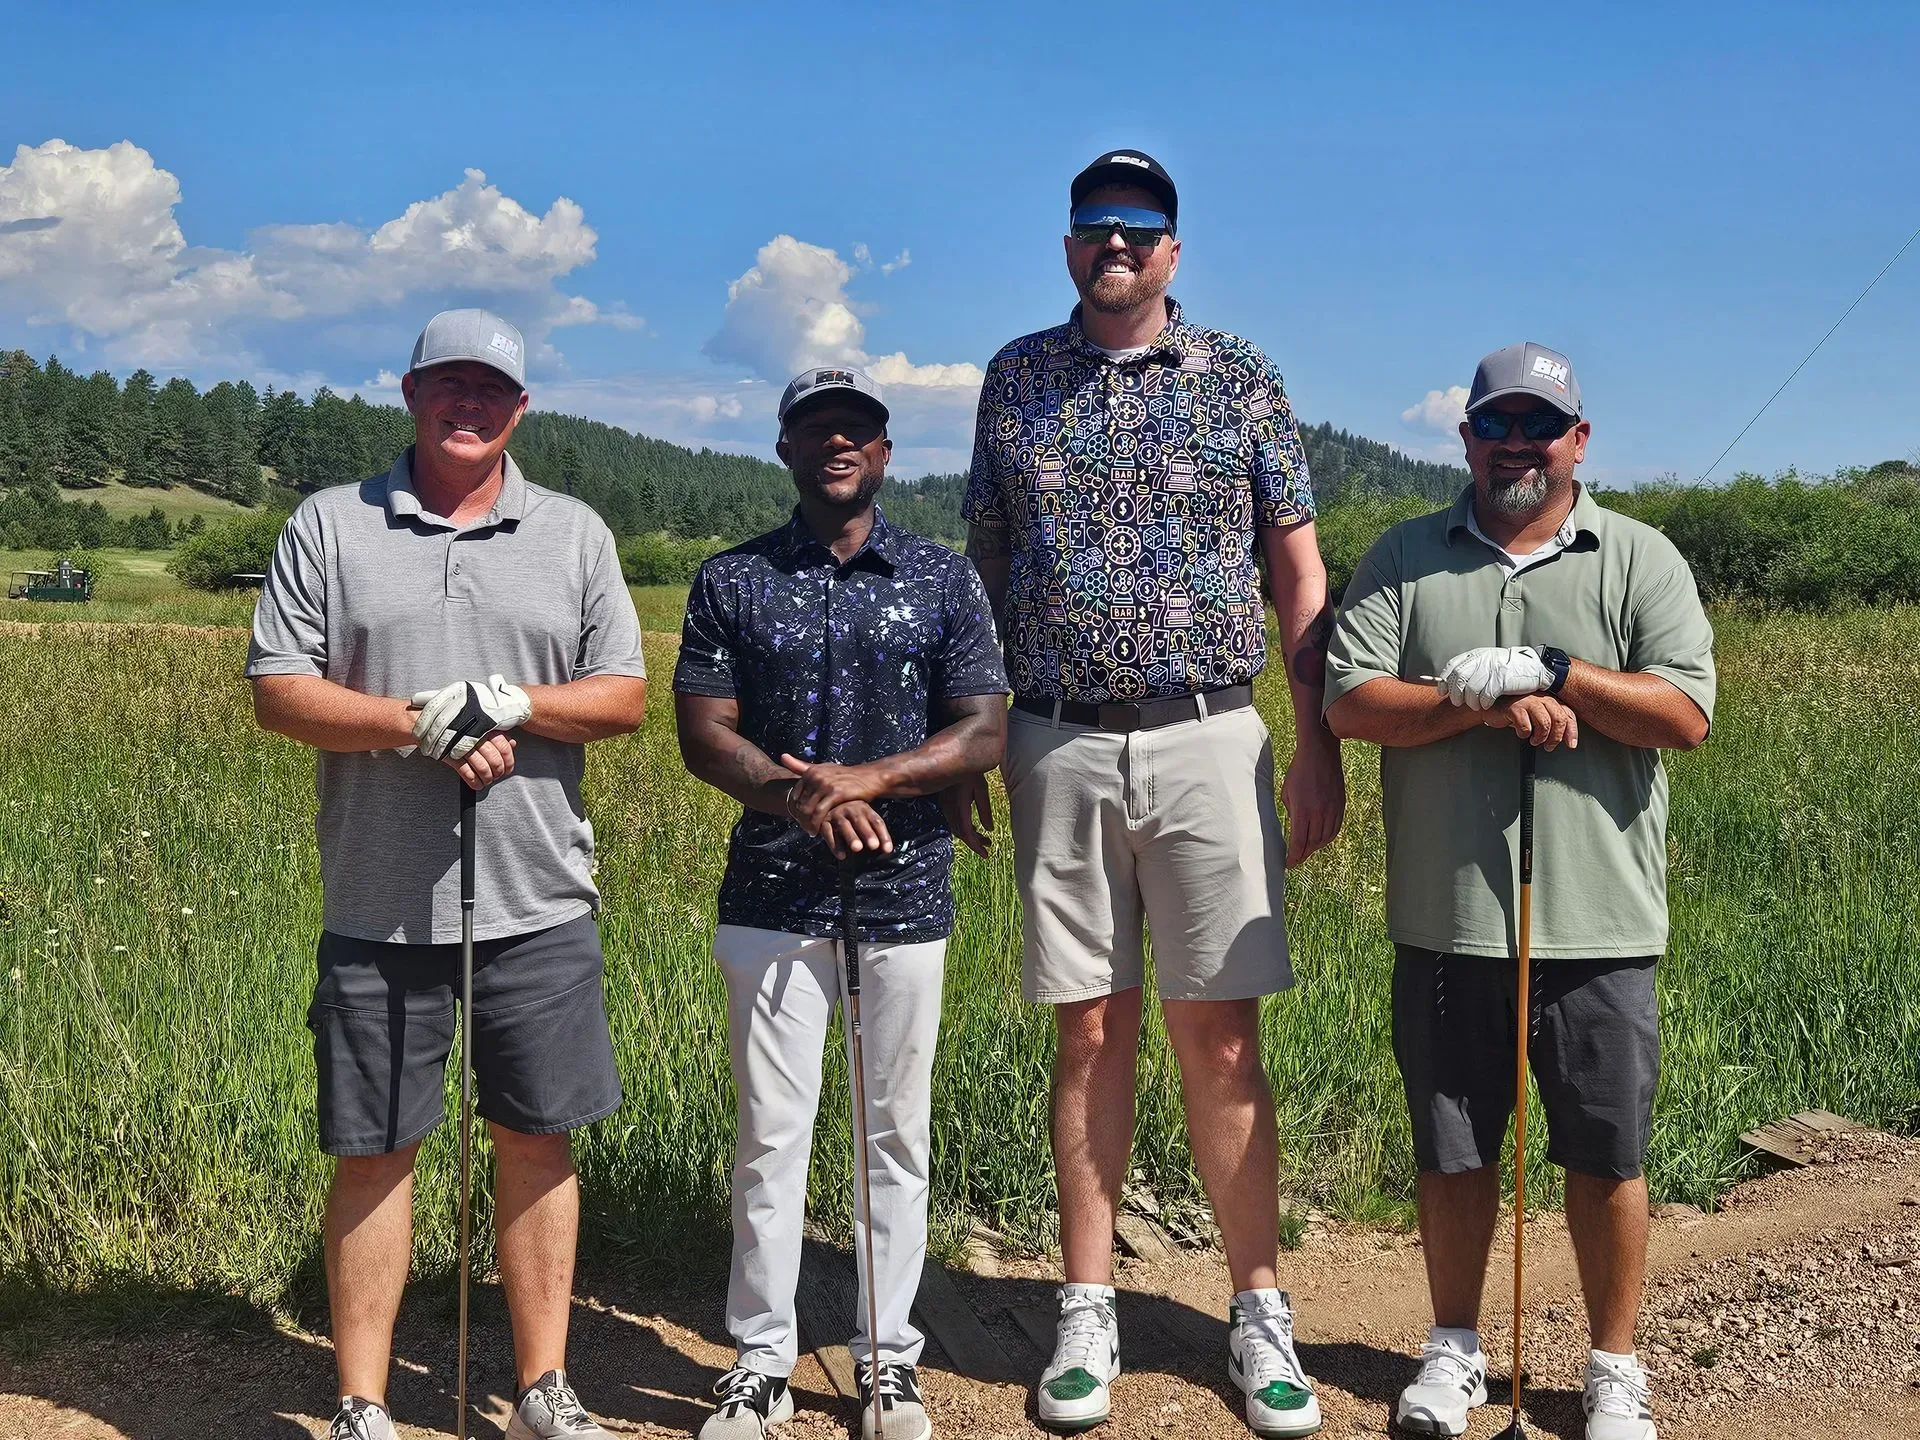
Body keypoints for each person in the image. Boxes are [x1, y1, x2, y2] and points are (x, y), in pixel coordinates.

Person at [958, 149, 1344, 1438]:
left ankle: (1258, 1309)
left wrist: (1316, 741)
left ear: (1173, 248)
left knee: (1220, 1034)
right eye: (1091, 227)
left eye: (1135, 228)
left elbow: (1300, 575)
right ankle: (1087, 1305)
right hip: (1055, 741)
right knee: (1088, 1030)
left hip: (1206, 736)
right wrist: (973, 737)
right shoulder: (1015, 378)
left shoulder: (1241, 376)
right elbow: (985, 568)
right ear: (1067, 245)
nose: (1111, 245)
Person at [247, 309, 648, 1440]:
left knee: (536, 1139)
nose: (467, 404)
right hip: (378, 897)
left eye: (490, 388)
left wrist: (519, 701)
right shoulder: (331, 524)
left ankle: (541, 1388)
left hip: (538, 895)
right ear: (411, 392)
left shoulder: (572, 533)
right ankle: (362, 1403)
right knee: (375, 1149)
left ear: (520, 407)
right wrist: (413, 723)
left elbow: (619, 694)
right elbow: (280, 690)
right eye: (446, 384)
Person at [1324, 342, 1715, 1440]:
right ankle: (1453, 1350)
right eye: (1496, 424)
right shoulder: (1406, 555)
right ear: (1466, 437)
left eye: (1540, 427)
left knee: (1605, 1150)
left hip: (1601, 919)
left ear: (1577, 442)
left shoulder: (1640, 558)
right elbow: (1351, 702)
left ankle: (1612, 1368)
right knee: (1453, 1149)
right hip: (1447, 916)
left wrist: (1554, 673)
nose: (1516, 445)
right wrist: (1478, 703)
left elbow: (1684, 715)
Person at [675, 365, 1009, 1440]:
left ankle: (887, 1362)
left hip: (906, 892)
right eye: (816, 430)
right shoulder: (731, 579)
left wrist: (864, 781)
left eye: (855, 430)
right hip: (772, 895)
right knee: (773, 1137)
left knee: (892, 1136)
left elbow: (985, 730)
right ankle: (760, 1359)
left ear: (884, 451)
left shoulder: (945, 580)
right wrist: (799, 797)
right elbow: (705, 734)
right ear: (784, 449)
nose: (837, 445)